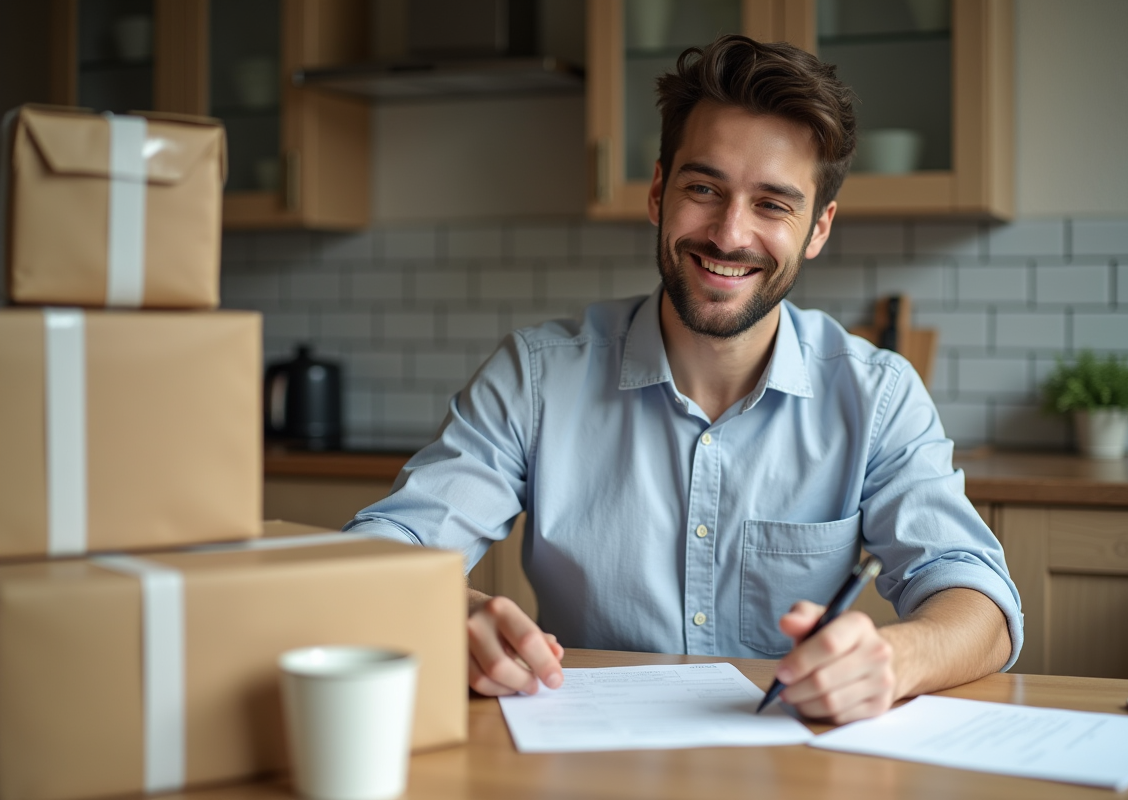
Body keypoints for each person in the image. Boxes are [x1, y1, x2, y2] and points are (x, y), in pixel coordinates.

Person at [348, 35, 1022, 723]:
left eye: (772, 205)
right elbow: (374, 557)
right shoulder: (536, 377)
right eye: (704, 189)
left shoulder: (877, 396)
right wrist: (452, 615)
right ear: (657, 192)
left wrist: (894, 660)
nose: (729, 235)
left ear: (819, 228)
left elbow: (981, 606)